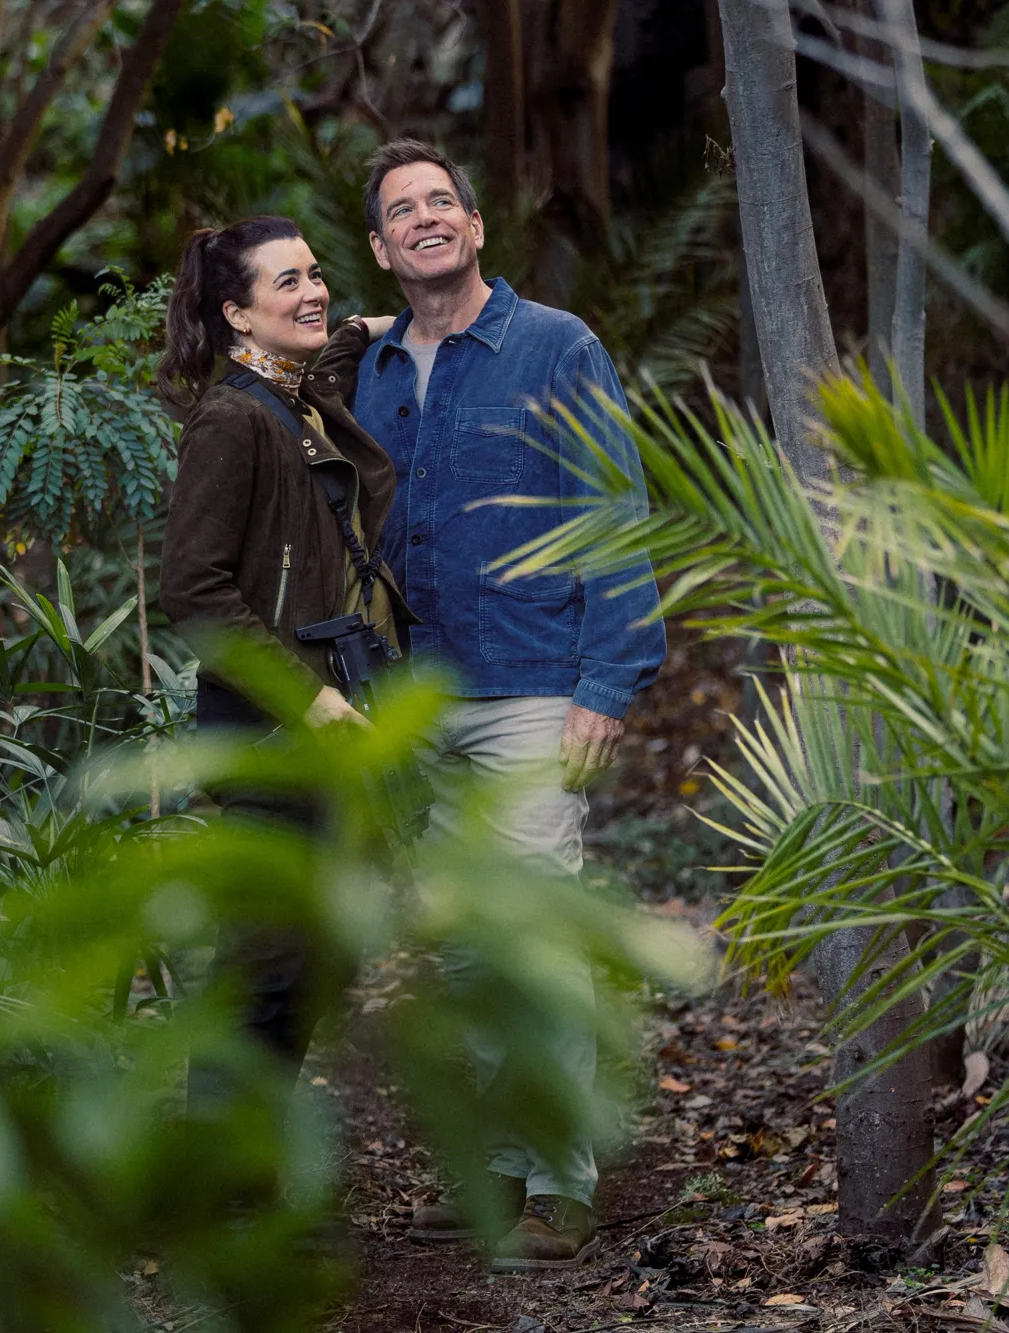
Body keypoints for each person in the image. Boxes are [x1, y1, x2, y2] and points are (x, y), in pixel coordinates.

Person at [351, 140, 667, 1271]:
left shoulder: (554, 346)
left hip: (534, 686)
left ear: (476, 227)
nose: (426, 217)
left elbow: (613, 512)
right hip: (416, 695)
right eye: (403, 210)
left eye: (443, 200)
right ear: (381, 248)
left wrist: (606, 684)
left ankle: (558, 1183)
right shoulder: (369, 369)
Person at [157, 214, 402, 1092]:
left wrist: (372, 325)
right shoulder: (232, 420)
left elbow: (329, 358)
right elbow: (195, 590)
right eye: (287, 281)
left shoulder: (297, 397)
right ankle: (221, 1169)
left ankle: (252, 1159)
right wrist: (311, 697)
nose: (313, 291)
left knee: (312, 971)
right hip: (269, 736)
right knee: (261, 978)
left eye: (316, 273)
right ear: (237, 314)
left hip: (323, 738)